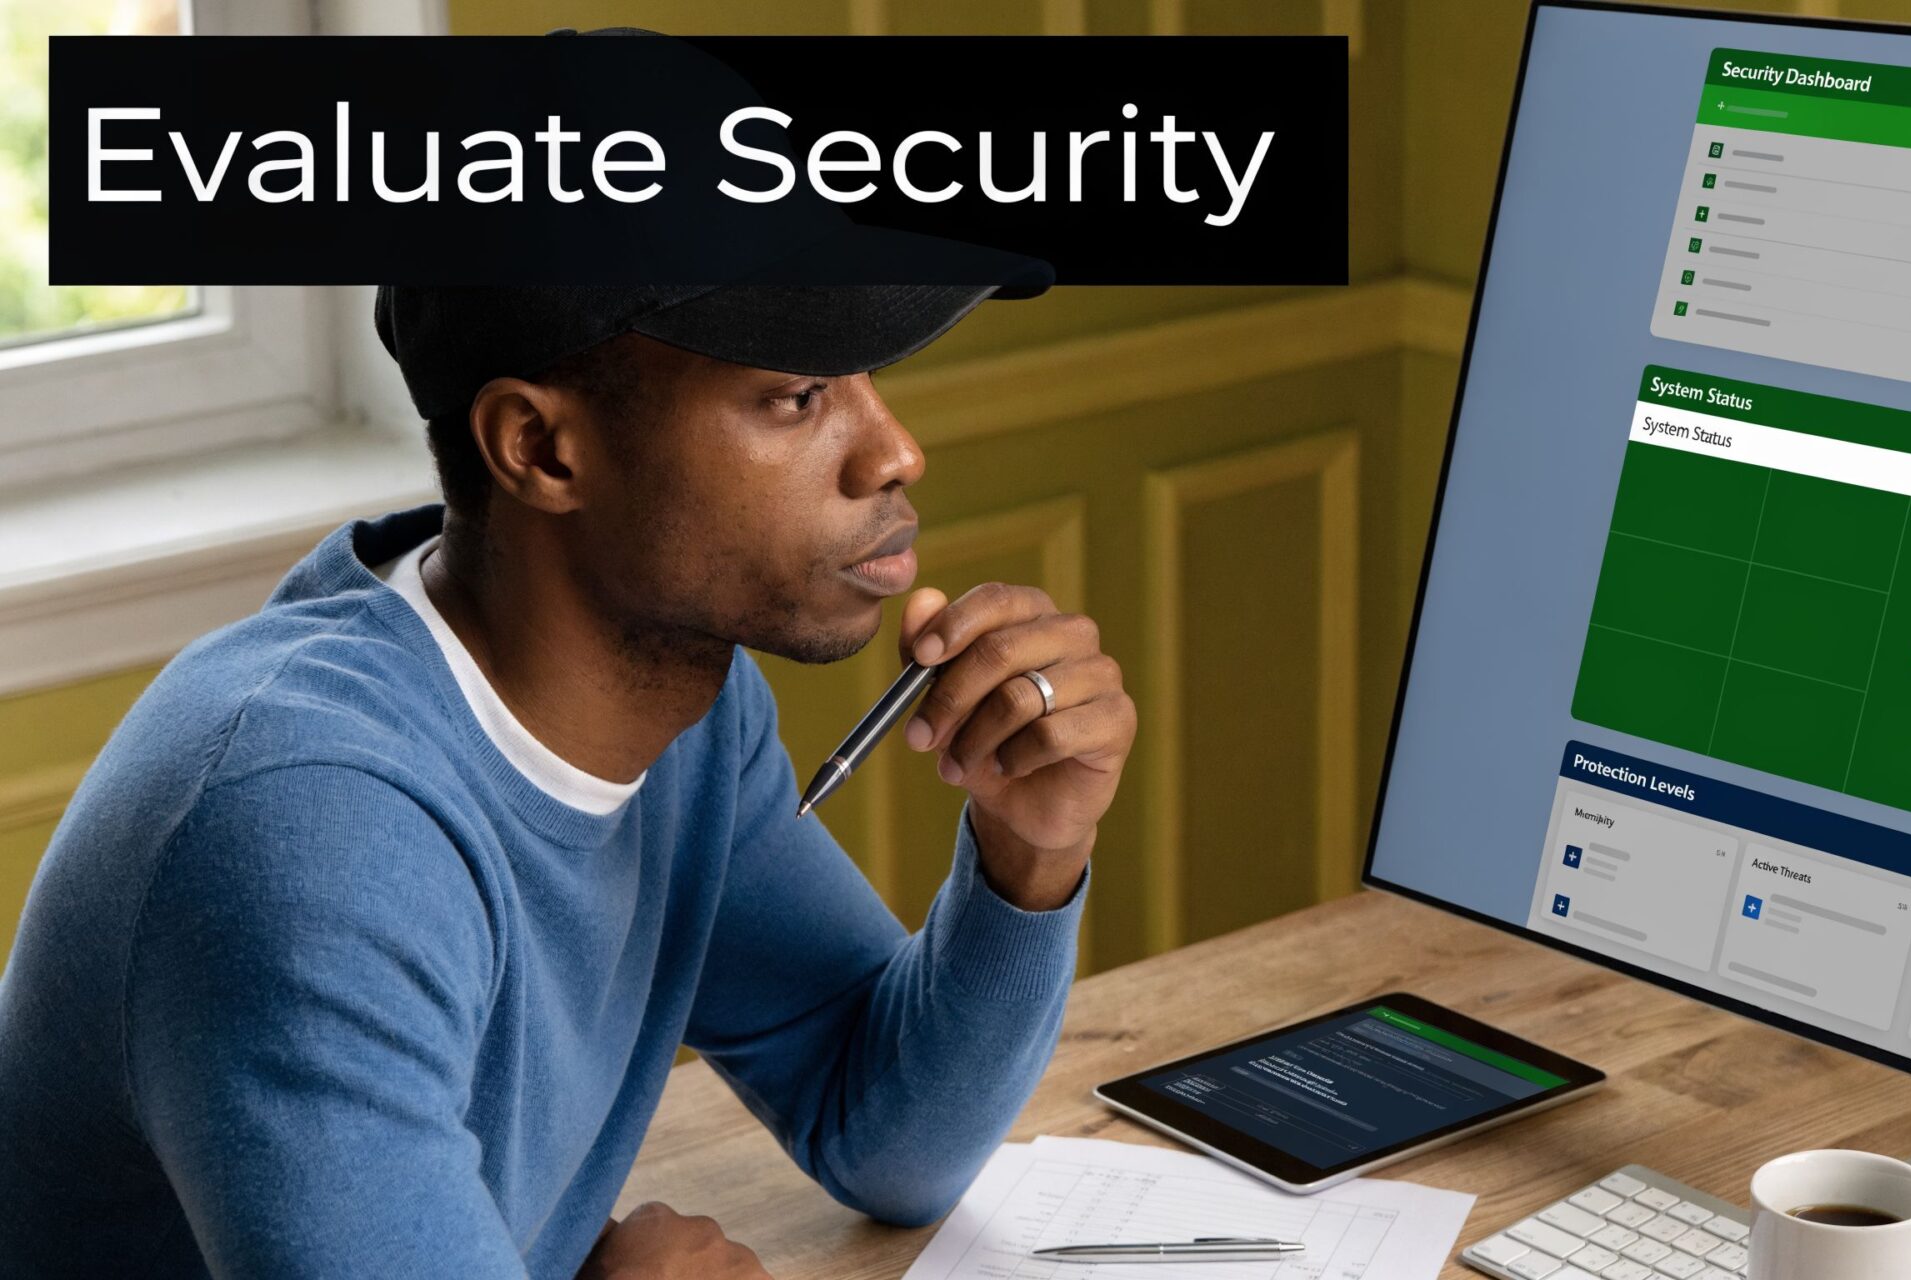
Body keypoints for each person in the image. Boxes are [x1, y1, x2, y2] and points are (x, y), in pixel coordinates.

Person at [0, 279, 1136, 1279]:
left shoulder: (681, 709)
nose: (895, 452)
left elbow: (886, 1133)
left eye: (868, 377)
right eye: (797, 395)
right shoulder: (306, 834)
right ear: (541, 449)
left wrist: (1028, 850)